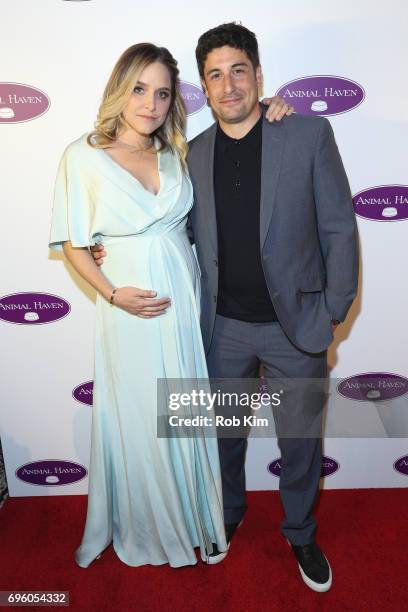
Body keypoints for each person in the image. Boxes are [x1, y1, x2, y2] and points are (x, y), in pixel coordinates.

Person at [93, 22, 359, 591]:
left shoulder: (307, 133)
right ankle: (228, 513)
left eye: (239, 70)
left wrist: (335, 306)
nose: (229, 85)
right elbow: (162, 224)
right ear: (205, 89)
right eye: (215, 75)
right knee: (224, 437)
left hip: (296, 328)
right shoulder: (191, 154)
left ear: (258, 75)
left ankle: (301, 532)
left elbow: (338, 224)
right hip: (223, 328)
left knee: (300, 442)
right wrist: (104, 247)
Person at [49, 42, 292, 569]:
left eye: (162, 93)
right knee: (143, 421)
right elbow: (71, 242)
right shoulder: (82, 156)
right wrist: (110, 292)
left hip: (186, 304)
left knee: (184, 417)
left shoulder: (178, 152)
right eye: (139, 89)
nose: (150, 104)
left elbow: (237, 162)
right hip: (129, 311)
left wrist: (273, 107)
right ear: (120, 88)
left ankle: (193, 519)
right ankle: (151, 529)